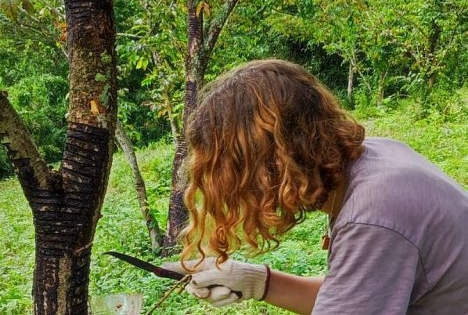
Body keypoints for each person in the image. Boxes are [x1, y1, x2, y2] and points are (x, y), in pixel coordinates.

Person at [165, 59, 468, 314]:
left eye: (227, 173)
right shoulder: (373, 160)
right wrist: (257, 281)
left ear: (269, 165)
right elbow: (353, 296)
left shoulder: (373, 214)